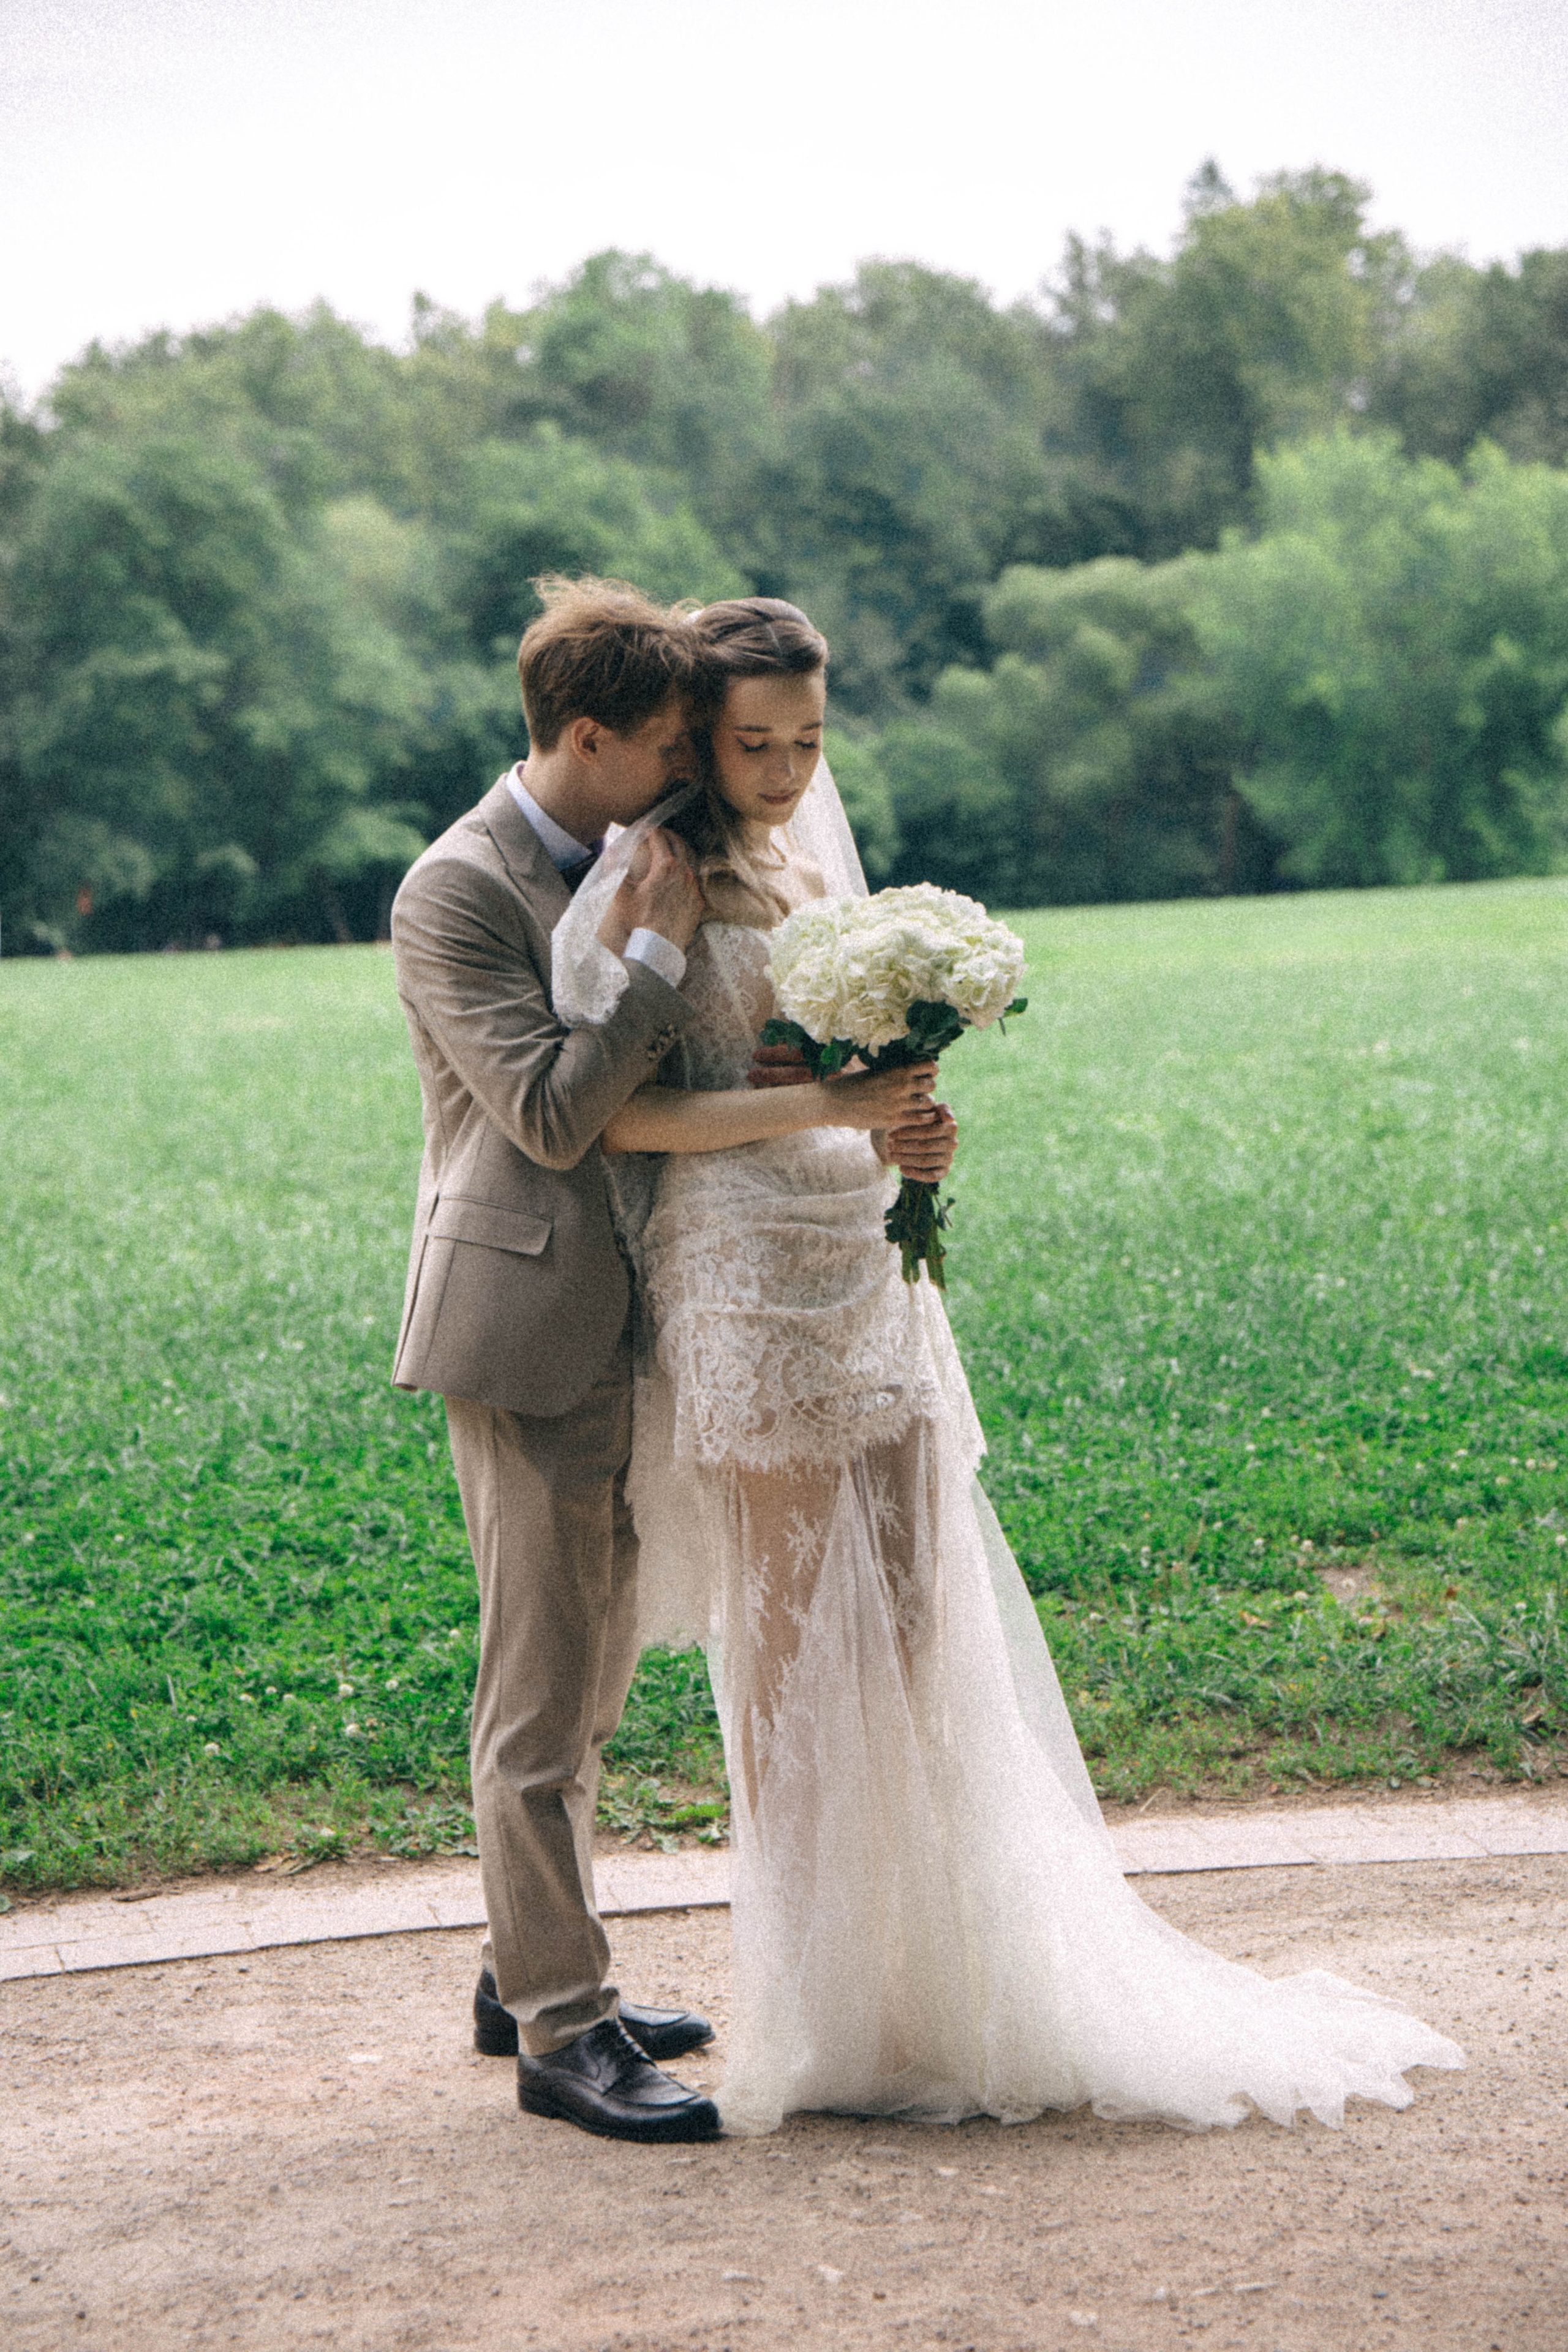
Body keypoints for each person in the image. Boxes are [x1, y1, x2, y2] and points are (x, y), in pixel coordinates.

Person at [552, 595, 1466, 2138]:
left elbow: (832, 1077)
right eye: (753, 743)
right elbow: (619, 1119)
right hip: (734, 1275)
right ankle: (829, 2016)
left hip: (860, 1257)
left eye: (808, 741)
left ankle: (957, 1987)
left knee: (915, 1621)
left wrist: (902, 1115)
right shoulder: (651, 878)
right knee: (786, 1645)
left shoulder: (809, 866)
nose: (783, 772)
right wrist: (824, 1115)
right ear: (695, 738)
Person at [389, 578, 934, 2144]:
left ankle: (527, 1958)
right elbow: (553, 1117)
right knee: (539, 1698)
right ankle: (562, 2033)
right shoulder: (460, 890)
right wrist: (648, 960)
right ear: (588, 739)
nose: (693, 770)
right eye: (669, 743)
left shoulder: (647, 846)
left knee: (605, 1661)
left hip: (666, 1303)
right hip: (532, 1318)